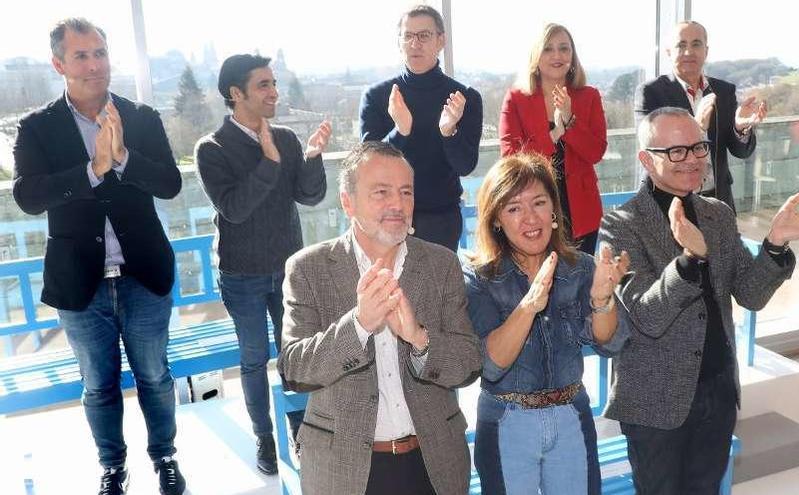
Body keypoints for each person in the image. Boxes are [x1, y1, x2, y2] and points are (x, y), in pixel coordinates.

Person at [599, 107, 799, 494]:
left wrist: (775, 245)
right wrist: (689, 262)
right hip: (655, 401)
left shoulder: (717, 214)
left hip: (718, 392)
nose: (691, 159)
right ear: (645, 159)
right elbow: (645, 316)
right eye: (676, 151)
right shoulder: (620, 225)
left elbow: (751, 294)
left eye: (698, 147)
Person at [12, 17, 185, 495]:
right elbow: (28, 195)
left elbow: (170, 183)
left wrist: (124, 157)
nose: (95, 65)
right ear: (59, 64)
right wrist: (93, 169)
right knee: (99, 385)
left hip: (143, 275)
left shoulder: (141, 116)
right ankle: (113, 467)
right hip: (79, 283)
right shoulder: (37, 127)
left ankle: (165, 457)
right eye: (82, 56)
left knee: (155, 375)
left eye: (100, 53)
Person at [277, 141, 481, 495]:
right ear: (347, 201)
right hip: (345, 470)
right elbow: (294, 371)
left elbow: (468, 363)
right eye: (381, 192)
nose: (397, 205)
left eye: (406, 192)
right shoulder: (308, 269)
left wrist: (419, 338)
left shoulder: (442, 264)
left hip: (433, 461)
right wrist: (358, 325)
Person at [195, 53, 331, 475]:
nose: (274, 92)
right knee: (254, 359)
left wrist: (311, 158)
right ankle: (265, 439)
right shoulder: (212, 149)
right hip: (243, 274)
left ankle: (300, 432)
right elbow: (234, 209)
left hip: (289, 269)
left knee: (295, 353)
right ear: (236, 94)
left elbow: (309, 197)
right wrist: (269, 163)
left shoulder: (287, 138)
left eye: (274, 83)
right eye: (264, 86)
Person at [464, 153, 630, 495]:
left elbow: (609, 342)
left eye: (539, 203)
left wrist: (602, 300)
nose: (530, 218)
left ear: (554, 210)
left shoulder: (581, 267)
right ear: (496, 220)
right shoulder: (480, 278)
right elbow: (490, 365)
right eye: (513, 209)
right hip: (507, 418)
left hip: (571, 412)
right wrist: (529, 305)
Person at [359, 4, 483, 251]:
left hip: (441, 219)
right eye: (408, 36)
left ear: (441, 41)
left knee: (438, 290)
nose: (415, 43)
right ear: (399, 42)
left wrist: (449, 132)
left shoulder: (464, 97)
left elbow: (465, 165)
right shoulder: (377, 96)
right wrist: (400, 131)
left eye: (424, 35)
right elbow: (366, 167)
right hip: (386, 217)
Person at [634, 21, 768, 212]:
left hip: (717, 201)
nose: (689, 52)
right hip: (669, 205)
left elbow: (741, 152)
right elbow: (651, 151)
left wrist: (740, 127)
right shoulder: (650, 93)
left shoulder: (724, 91)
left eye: (696, 44)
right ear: (669, 52)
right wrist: (697, 128)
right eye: (681, 45)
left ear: (706, 50)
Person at [499, 23, 608, 254]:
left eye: (564, 48)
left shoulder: (589, 96)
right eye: (548, 49)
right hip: (533, 207)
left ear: (573, 56)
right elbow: (510, 157)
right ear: (536, 56)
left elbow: (596, 151)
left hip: (580, 209)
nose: (557, 55)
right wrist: (555, 134)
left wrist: (569, 121)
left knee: (580, 282)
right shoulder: (516, 98)